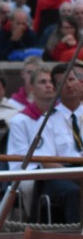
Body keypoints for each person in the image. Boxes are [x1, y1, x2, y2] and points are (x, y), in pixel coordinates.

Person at [8, 62, 83, 223]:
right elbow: (46, 161)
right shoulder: (46, 121)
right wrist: (77, 176)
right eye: (62, 82)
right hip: (61, 175)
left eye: (72, 79)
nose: (69, 85)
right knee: (73, 193)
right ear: (56, 89)